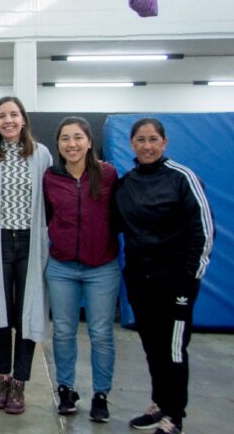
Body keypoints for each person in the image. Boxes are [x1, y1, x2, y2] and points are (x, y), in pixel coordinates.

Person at [114, 118, 213, 434]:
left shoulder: (183, 178)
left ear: (164, 142)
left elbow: (204, 231)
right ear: (132, 144)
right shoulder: (127, 183)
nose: (147, 146)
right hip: (141, 281)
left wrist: (190, 277)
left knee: (173, 349)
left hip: (177, 283)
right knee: (152, 346)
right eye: (140, 140)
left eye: (153, 139)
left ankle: (175, 415)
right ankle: (159, 403)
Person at [0, 96, 52, 415]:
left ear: (23, 119)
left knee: (26, 312)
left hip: (31, 242)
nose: (8, 120)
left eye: (14, 114)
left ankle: (20, 383)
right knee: (0, 312)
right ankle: (3, 379)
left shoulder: (42, 154)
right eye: (1, 115)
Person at [43, 116, 120, 422]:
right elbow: (48, 216)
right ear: (58, 144)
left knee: (101, 333)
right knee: (63, 332)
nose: (71, 144)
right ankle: (66, 389)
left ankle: (101, 394)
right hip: (61, 267)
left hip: (102, 267)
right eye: (65, 138)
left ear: (89, 141)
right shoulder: (51, 178)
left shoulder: (108, 174)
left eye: (77, 137)